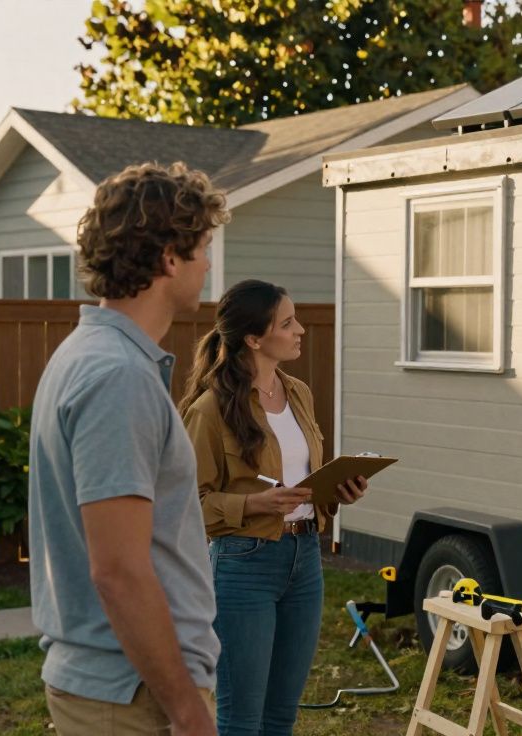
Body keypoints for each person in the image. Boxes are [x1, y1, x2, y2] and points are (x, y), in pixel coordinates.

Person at [27, 162, 226, 735]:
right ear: (169, 257)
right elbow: (118, 570)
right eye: (203, 248)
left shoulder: (88, 355)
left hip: (116, 685)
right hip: (133, 697)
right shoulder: (117, 376)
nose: (208, 264)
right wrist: (189, 712)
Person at [179, 279, 368, 735]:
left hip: (305, 562)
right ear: (253, 338)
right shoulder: (210, 409)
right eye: (287, 323)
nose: (300, 329)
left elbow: (305, 482)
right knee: (242, 719)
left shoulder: (298, 393)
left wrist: (337, 492)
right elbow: (185, 507)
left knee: (282, 714)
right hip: (242, 567)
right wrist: (254, 503)